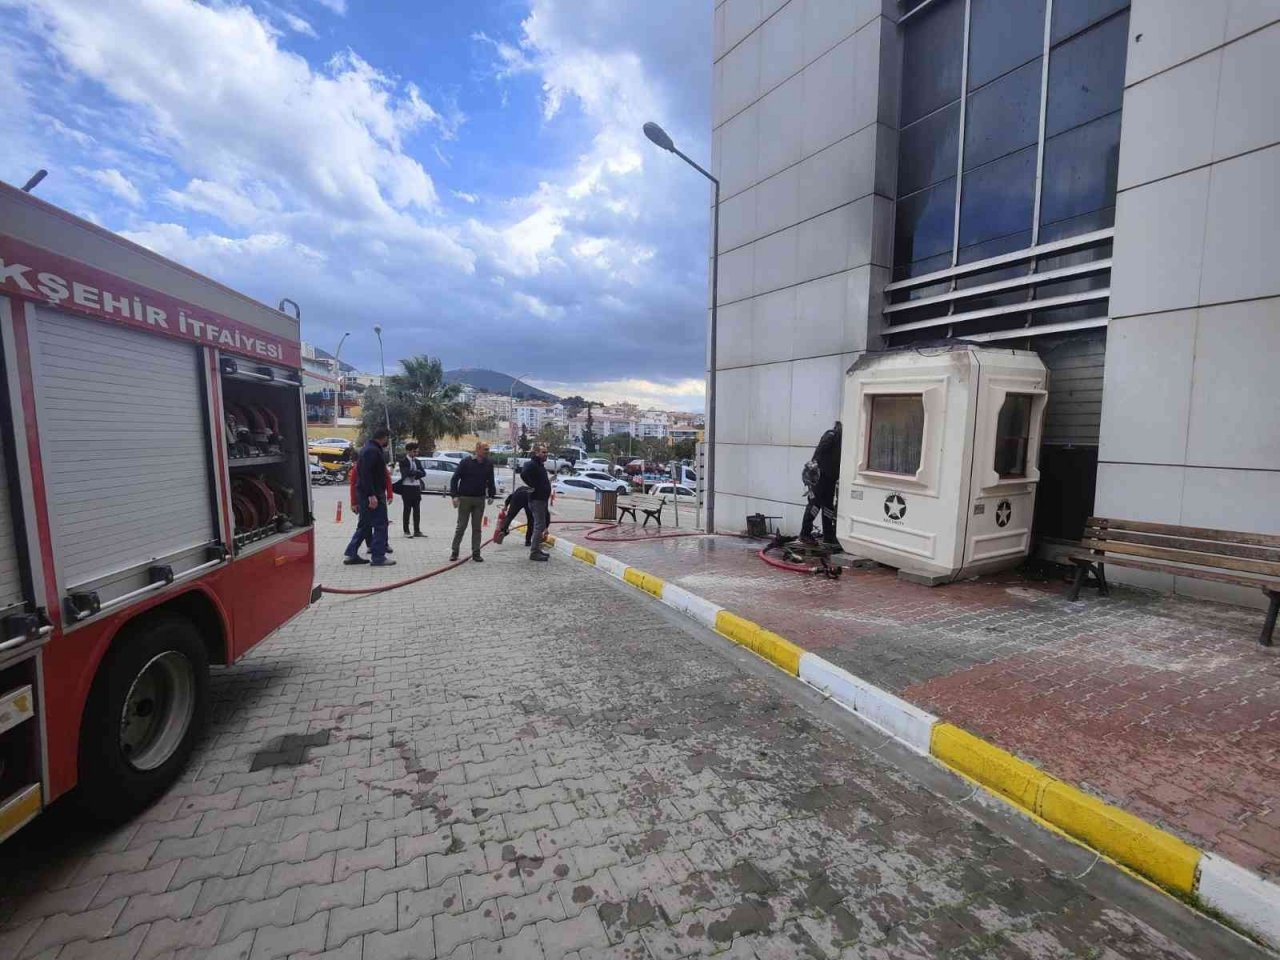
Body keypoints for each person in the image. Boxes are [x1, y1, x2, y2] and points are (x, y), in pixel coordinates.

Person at [345, 428, 395, 566]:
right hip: (373, 494)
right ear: (384, 437)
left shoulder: (368, 449)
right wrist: (372, 495)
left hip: (366, 493)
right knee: (380, 525)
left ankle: (351, 553)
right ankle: (378, 557)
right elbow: (366, 474)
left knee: (365, 525)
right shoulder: (372, 451)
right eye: (387, 439)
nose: (388, 442)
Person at [449, 441, 496, 562]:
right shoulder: (466, 462)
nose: (487, 452)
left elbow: (491, 480)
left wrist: (491, 494)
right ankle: (455, 551)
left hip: (479, 499)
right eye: (485, 449)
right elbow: (455, 479)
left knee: (477, 528)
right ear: (478, 449)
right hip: (465, 498)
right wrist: (454, 496)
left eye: (488, 449)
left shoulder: (488, 463)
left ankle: (476, 553)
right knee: (461, 526)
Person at [800, 421, 841, 546]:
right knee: (815, 505)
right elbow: (819, 453)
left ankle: (828, 536)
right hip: (820, 477)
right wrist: (814, 470)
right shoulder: (832, 435)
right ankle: (805, 534)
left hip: (830, 478)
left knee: (828, 507)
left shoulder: (840, 439)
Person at [520, 444, 552, 562]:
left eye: (546, 452)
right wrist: (532, 485)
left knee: (541, 525)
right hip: (536, 499)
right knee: (539, 526)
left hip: (542, 499)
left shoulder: (539, 465)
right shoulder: (532, 464)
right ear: (537, 453)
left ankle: (537, 549)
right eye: (543, 452)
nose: (546, 454)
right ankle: (534, 552)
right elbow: (523, 474)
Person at [398, 442, 425, 537]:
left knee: (417, 510)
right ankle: (406, 531)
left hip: (416, 487)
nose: (416, 453)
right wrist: (416, 472)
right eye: (414, 451)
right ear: (408, 451)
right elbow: (406, 473)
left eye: (417, 452)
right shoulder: (403, 461)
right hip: (407, 487)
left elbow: (423, 473)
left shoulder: (417, 461)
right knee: (407, 509)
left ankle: (417, 530)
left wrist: (415, 472)